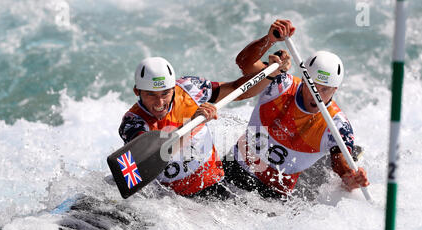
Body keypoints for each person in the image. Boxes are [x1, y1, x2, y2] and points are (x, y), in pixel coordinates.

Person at [222, 19, 370, 199]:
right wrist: (269, 40)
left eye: (324, 90)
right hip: (232, 170)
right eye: (312, 86)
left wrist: (350, 178)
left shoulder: (338, 126)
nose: (316, 94)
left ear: (335, 90)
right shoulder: (280, 84)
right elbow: (244, 63)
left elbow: (341, 166)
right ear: (304, 79)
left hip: (272, 197)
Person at [118, 56, 285, 200]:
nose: (160, 103)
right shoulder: (133, 122)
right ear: (136, 91)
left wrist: (269, 74)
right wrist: (192, 123)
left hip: (216, 184)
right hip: (174, 201)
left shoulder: (189, 88)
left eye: (165, 93)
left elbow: (236, 90)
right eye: (151, 95)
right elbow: (152, 157)